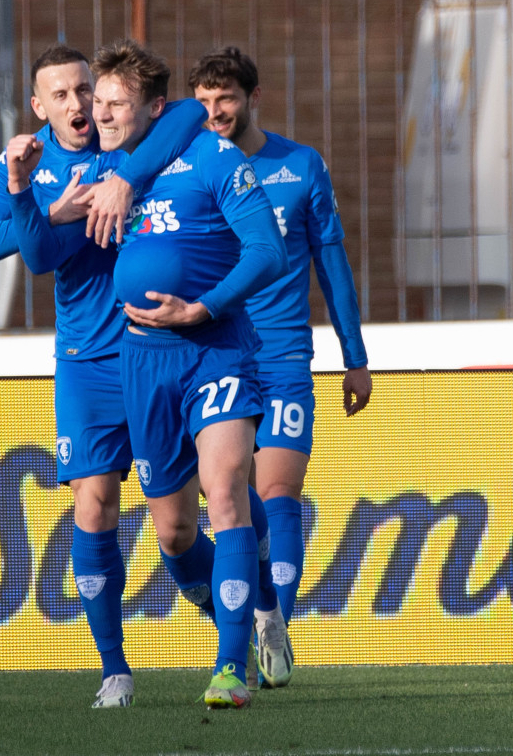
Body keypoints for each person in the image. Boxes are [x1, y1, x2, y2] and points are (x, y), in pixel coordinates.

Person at [0, 43, 207, 709]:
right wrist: (40, 209)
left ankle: (242, 609)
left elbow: (189, 113)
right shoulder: (26, 165)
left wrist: (127, 180)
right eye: (61, 95)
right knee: (92, 506)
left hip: (152, 352)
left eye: (84, 90)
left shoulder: (127, 138)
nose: (79, 104)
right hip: (85, 364)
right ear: (38, 107)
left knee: (177, 530)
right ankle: (115, 671)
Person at [86, 38, 290, 709]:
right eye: (98, 101)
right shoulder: (106, 165)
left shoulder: (211, 154)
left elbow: (267, 249)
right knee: (174, 535)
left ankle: (231, 667)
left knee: (225, 487)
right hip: (143, 361)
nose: (102, 113)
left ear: (153, 107)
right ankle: (256, 605)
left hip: (215, 348)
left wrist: (203, 306)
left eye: (117, 102)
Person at [188, 47, 372, 642]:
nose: (214, 112)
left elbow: (332, 265)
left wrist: (355, 358)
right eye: (203, 101)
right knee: (226, 497)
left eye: (226, 99)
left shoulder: (300, 165)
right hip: (216, 357)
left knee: (278, 490)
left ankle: (274, 635)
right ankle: (247, 617)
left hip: (283, 355)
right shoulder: (188, 170)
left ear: (253, 98)